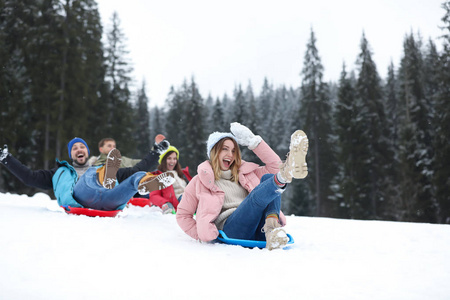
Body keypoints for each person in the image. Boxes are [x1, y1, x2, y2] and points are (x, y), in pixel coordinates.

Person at [176, 122, 308, 250]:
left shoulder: (245, 174)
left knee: (268, 179)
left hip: (258, 228)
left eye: (234, 151)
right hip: (232, 229)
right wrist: (202, 233)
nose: (230, 155)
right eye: (225, 149)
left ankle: (271, 229)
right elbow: (183, 215)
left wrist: (254, 142)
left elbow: (274, 167)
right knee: (256, 198)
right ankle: (285, 174)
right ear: (213, 152)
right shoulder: (199, 181)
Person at [0, 137, 175, 211]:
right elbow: (29, 177)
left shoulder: (98, 165)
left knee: (135, 176)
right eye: (75, 148)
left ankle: (143, 184)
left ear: (87, 150)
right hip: (80, 198)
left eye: (82, 147)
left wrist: (156, 153)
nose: (79, 149)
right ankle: (105, 179)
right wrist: (6, 159)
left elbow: (137, 168)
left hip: (109, 200)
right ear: (71, 155)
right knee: (93, 172)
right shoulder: (60, 173)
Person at [149, 145, 192, 214]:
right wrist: (165, 203)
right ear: (163, 160)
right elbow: (154, 196)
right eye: (169, 158)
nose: (172, 161)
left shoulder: (181, 173)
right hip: (180, 200)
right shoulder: (158, 176)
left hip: (190, 197)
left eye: (175, 159)